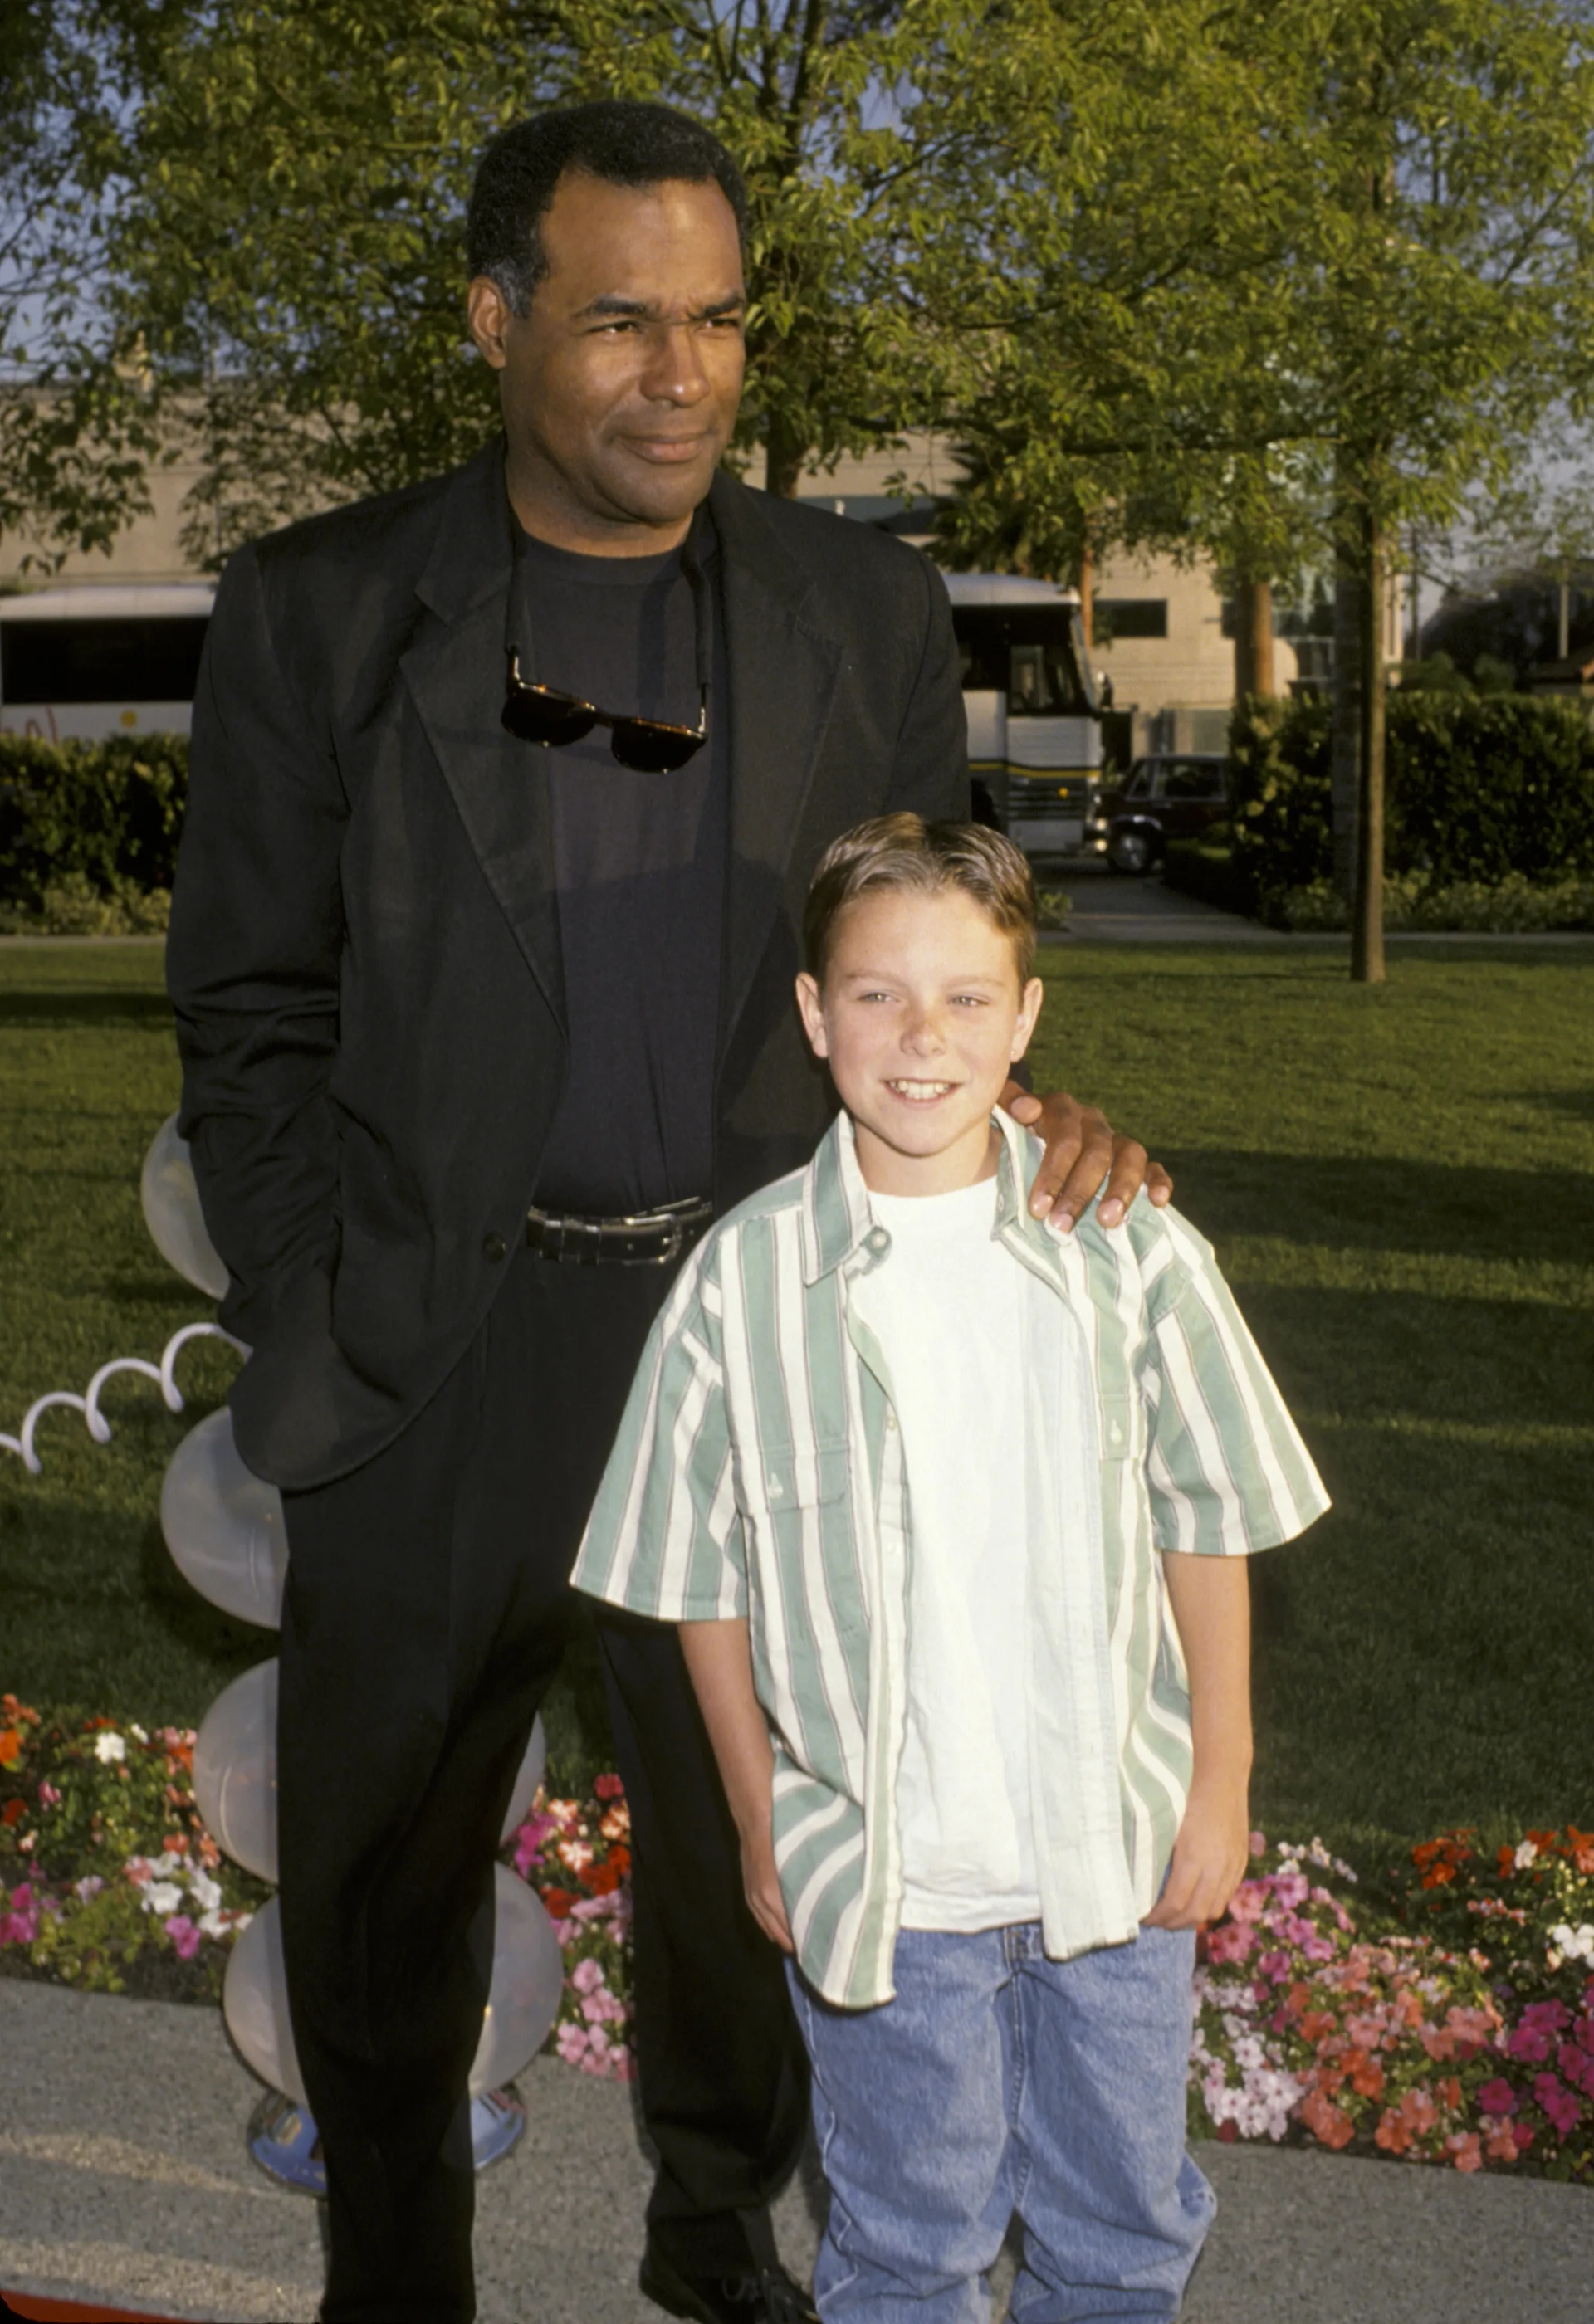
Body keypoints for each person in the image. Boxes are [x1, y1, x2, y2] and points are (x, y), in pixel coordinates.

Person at [165, 101, 1168, 2324]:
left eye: (715, 320)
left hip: (756, 1345)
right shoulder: (319, 613)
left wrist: (1020, 1104)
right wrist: (323, 1302)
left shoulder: (862, 608)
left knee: (758, 1858)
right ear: (497, 320)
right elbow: (245, 1010)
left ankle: (717, 2245)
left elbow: (929, 948)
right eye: (621, 317)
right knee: (387, 1855)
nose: (681, 373)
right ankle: (396, 2266)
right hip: (440, 1355)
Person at [575, 815, 1330, 2321]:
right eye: (877, 994)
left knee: (1120, 2233)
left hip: (1106, 1856)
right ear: (812, 1014)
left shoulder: (1133, 1253)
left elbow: (1210, 1511)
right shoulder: (741, 1282)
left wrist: (1223, 1775)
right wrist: (753, 1813)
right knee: (908, 2240)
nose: (923, 1038)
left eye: (967, 999)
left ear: (1027, 1018)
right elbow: (694, 1575)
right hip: (883, 1879)